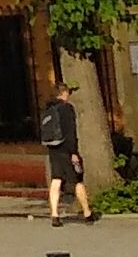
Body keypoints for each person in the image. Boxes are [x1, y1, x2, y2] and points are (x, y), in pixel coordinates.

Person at [40, 82, 90, 225]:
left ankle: (55, 214)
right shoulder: (66, 108)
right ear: (63, 93)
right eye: (67, 92)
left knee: (56, 179)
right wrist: (73, 152)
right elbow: (70, 131)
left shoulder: (48, 108)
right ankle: (87, 212)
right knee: (76, 180)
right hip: (66, 148)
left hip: (53, 148)